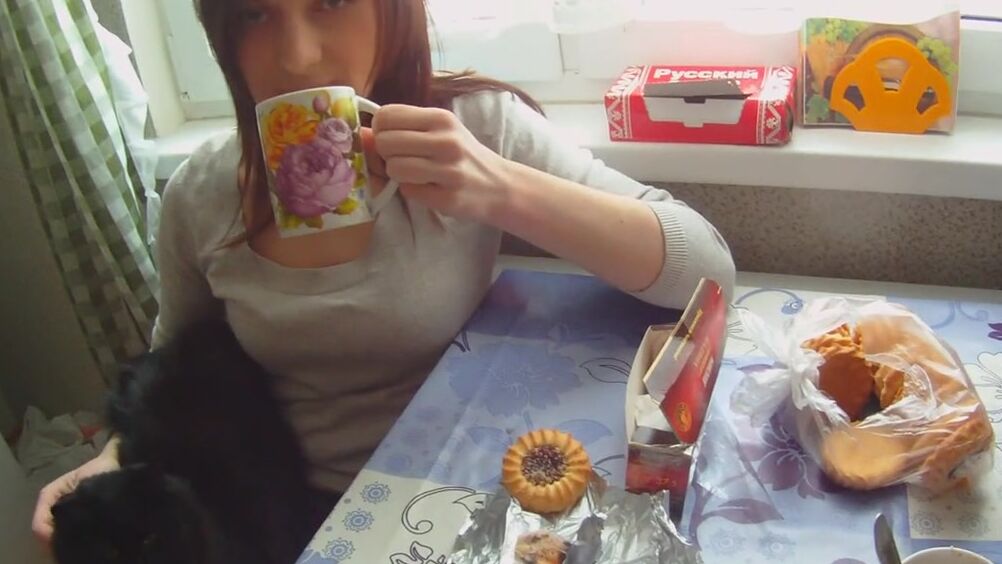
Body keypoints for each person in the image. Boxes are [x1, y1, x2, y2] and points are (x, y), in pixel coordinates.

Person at [34, 0, 735, 548]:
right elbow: (173, 363)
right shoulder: (202, 195)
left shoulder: (469, 128)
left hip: (473, 494)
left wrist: (500, 187)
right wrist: (113, 453)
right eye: (254, 14)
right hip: (287, 515)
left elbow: (707, 274)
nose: (297, 55)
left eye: (331, 2)